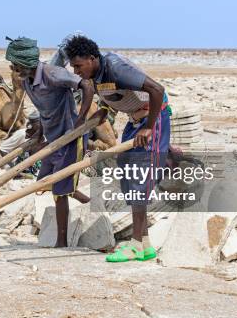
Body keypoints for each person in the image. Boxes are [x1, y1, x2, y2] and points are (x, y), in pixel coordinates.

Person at [64, 35, 171, 262]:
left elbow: (157, 90)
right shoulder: (96, 75)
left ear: (92, 59)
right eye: (73, 66)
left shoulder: (115, 67)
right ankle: (144, 244)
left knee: (139, 179)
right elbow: (111, 97)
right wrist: (99, 113)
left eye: (78, 65)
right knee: (126, 176)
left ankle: (134, 245)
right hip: (134, 121)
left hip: (154, 118)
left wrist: (150, 128)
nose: (76, 71)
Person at [5, 36, 94, 247]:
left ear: (27, 62)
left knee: (60, 191)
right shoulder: (27, 81)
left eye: (17, 65)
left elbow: (87, 85)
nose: (15, 70)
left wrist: (80, 120)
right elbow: (45, 110)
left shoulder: (52, 73)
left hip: (70, 138)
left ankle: (61, 242)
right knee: (45, 183)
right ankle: (90, 203)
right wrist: (39, 135)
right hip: (53, 139)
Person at [0, 110, 43, 177]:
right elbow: (2, 148)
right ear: (33, 124)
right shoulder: (22, 134)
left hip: (32, 164)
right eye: (40, 123)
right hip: (17, 165)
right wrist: (14, 169)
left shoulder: (42, 134)